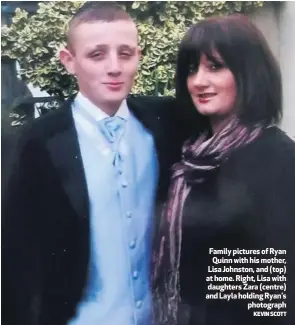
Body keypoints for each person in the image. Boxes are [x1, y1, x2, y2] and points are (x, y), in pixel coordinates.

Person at [2, 3, 187, 325]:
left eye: (125, 53)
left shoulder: (165, 122)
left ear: (139, 57)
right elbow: (17, 256)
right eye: (97, 55)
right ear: (69, 61)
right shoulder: (39, 141)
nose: (114, 67)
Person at [152, 14, 295, 325]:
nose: (199, 81)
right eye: (192, 69)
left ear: (248, 74)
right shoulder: (187, 159)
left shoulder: (277, 158)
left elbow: (275, 291)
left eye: (215, 67)